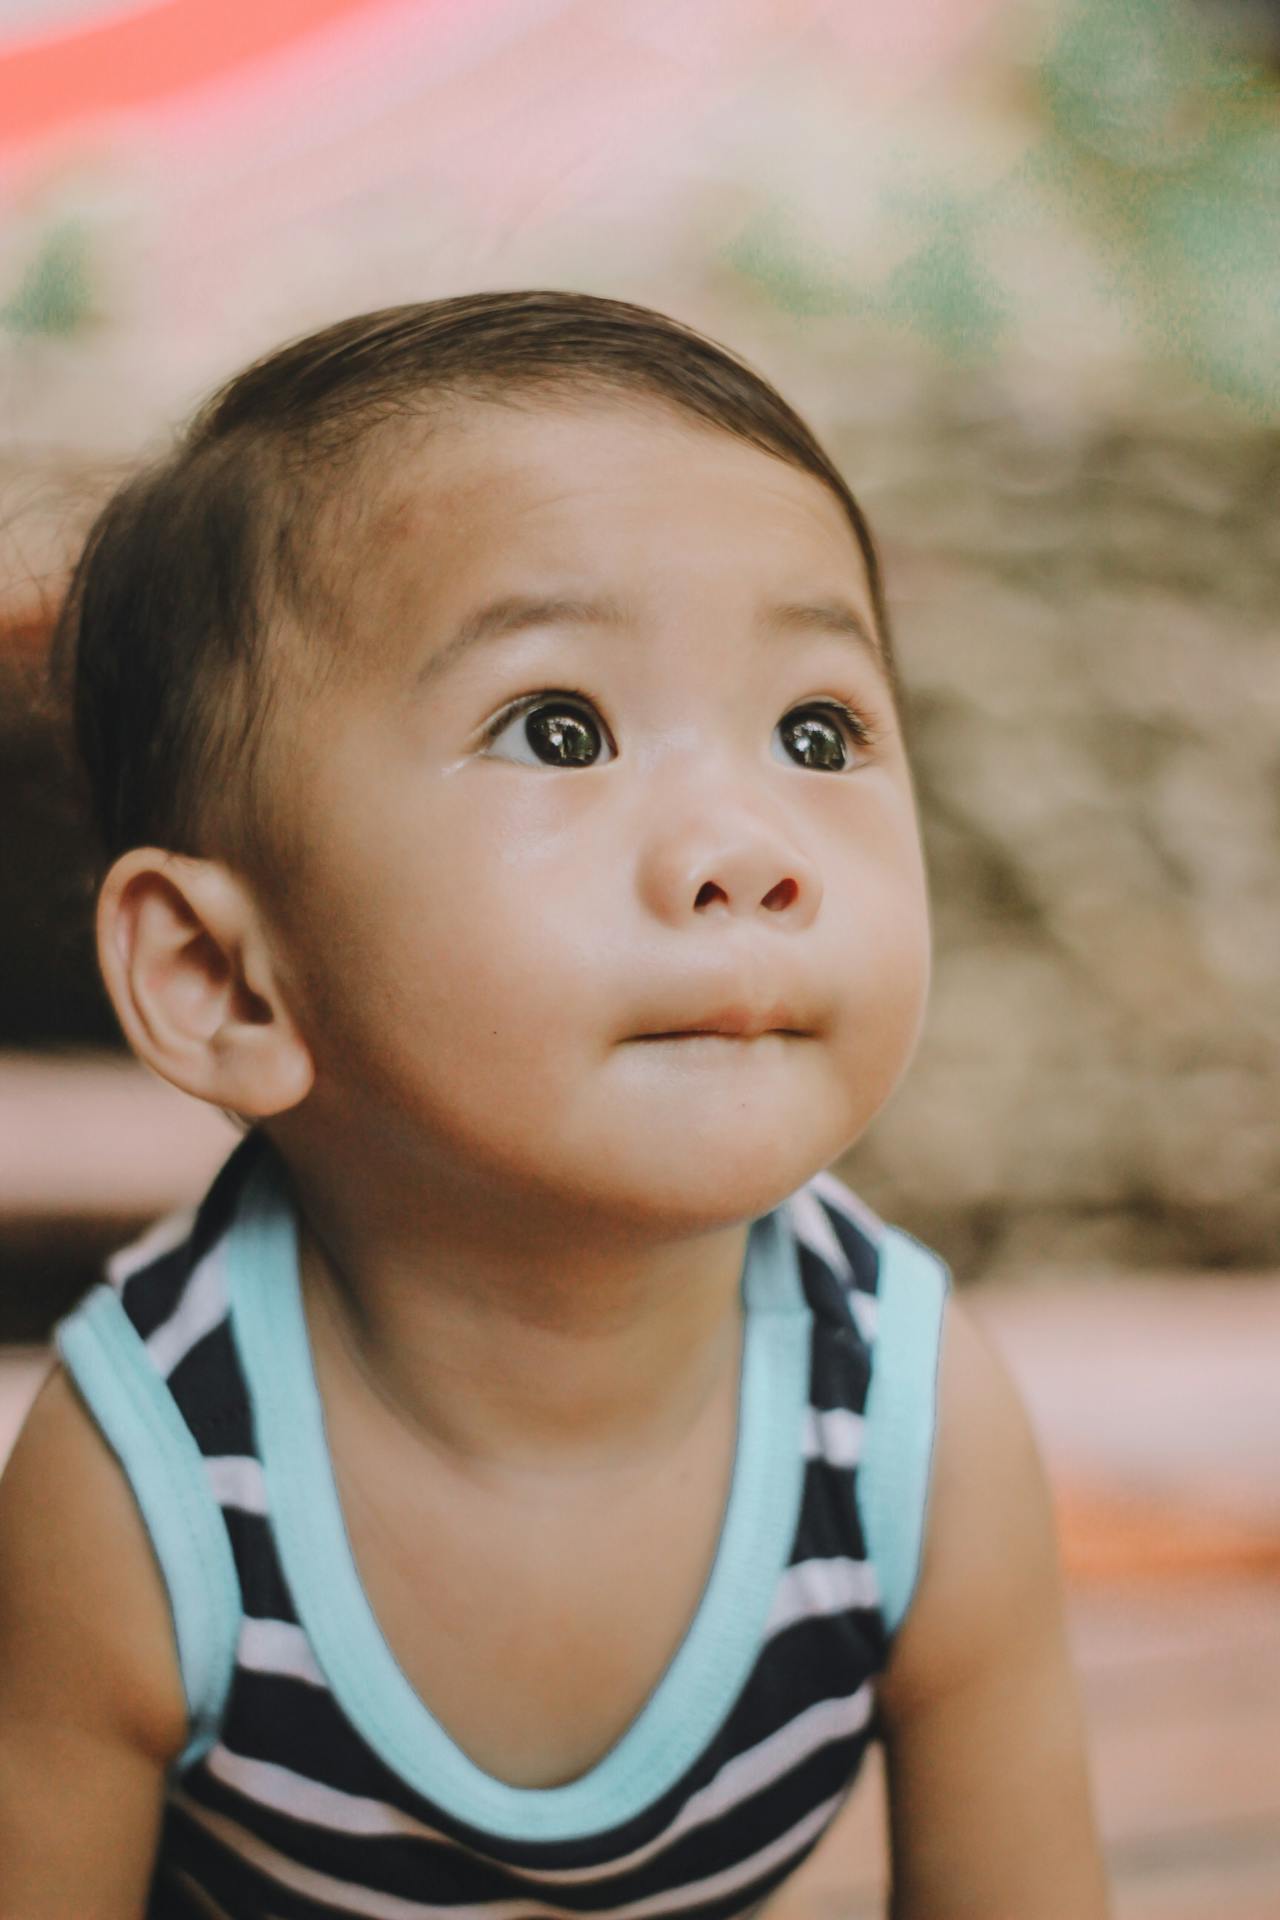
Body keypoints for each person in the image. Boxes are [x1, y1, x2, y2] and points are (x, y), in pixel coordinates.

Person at [0, 291, 1109, 1919]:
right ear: (226, 978)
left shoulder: (908, 1429)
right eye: (559, 727)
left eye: (818, 729)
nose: (748, 844)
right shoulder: (147, 1487)